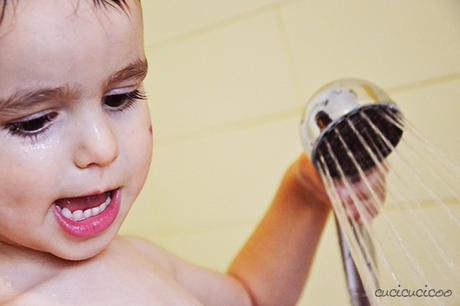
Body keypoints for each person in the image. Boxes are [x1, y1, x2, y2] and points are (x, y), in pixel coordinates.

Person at [0, 1, 332, 305]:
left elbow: (250, 298)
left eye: (120, 97)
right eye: (35, 122)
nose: (104, 148)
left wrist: (305, 193)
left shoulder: (135, 258)